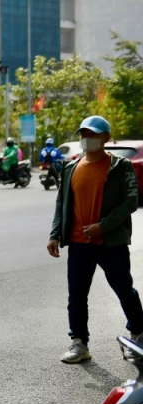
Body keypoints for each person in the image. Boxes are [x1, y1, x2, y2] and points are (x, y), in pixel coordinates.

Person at [47, 115, 143, 364]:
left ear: (105, 138)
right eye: (83, 134)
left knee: (123, 289)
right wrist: (55, 233)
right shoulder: (71, 168)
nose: (86, 139)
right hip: (79, 243)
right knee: (77, 294)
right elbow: (62, 203)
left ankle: (139, 334)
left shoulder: (120, 166)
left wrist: (104, 226)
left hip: (110, 242)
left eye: (92, 135)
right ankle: (79, 342)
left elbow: (130, 201)